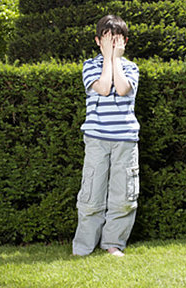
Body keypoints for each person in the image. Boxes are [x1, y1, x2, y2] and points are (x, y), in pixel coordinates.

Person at [72, 15, 140, 257]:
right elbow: (102, 87)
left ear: (125, 42)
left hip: (125, 139)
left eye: (117, 40)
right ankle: (83, 247)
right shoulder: (89, 65)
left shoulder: (131, 68)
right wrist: (109, 60)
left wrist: (116, 59)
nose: (112, 44)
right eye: (107, 39)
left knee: (124, 194)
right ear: (98, 41)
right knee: (91, 192)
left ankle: (114, 244)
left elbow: (121, 89)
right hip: (97, 138)